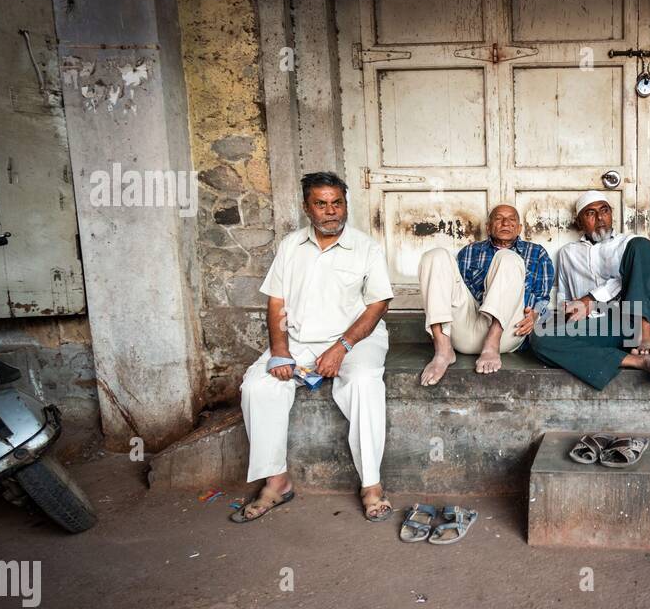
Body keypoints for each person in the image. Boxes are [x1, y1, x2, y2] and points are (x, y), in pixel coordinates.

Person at [234, 171, 395, 522]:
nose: (331, 211)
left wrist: (342, 346)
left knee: (364, 384)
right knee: (258, 387)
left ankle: (371, 484)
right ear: (307, 208)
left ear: (345, 204)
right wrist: (280, 349)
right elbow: (276, 302)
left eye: (337, 203)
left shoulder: (366, 247)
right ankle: (277, 481)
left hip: (356, 338)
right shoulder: (291, 246)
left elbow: (378, 304)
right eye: (321, 204)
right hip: (300, 338)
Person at [527, 191, 650, 389]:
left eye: (604, 211)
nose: (600, 218)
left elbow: (630, 280)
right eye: (590, 213)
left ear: (611, 214)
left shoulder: (628, 244)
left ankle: (645, 340)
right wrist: (564, 314)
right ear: (579, 222)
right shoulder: (568, 253)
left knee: (642, 245)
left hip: (633, 317)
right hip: (601, 326)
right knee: (540, 338)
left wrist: (590, 299)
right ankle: (639, 361)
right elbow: (564, 296)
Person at [417, 203, 553, 385]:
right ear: (488, 227)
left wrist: (535, 315)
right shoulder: (470, 251)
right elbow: (455, 294)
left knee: (508, 258)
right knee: (434, 255)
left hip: (507, 332)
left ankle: (491, 343)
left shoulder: (537, 253)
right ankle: (442, 350)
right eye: (498, 218)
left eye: (512, 219)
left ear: (519, 228)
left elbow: (543, 298)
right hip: (466, 328)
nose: (505, 223)